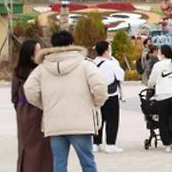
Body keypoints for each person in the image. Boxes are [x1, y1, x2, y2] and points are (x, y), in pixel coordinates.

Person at [23, 31, 108, 172]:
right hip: (81, 123)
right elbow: (100, 87)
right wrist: (95, 103)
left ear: (52, 44)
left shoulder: (42, 68)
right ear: (71, 43)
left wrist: (45, 105)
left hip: (54, 123)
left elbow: (29, 90)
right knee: (87, 162)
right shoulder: (85, 65)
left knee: (59, 163)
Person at [12, 39, 53, 172]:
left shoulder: (17, 71)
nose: (41, 53)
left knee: (26, 145)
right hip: (39, 110)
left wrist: (20, 108)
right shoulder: (41, 71)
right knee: (42, 148)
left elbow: (14, 96)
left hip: (23, 111)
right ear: (30, 54)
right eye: (38, 50)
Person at [147, 45, 172, 152]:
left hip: (162, 96)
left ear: (162, 54)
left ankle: (167, 143)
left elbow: (152, 80)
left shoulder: (158, 65)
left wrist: (149, 87)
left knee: (164, 121)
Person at [92, 41, 125, 154]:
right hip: (111, 95)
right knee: (112, 120)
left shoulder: (92, 63)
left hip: (96, 95)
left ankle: (96, 144)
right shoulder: (112, 64)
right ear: (106, 51)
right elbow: (121, 76)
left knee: (97, 119)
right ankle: (110, 144)